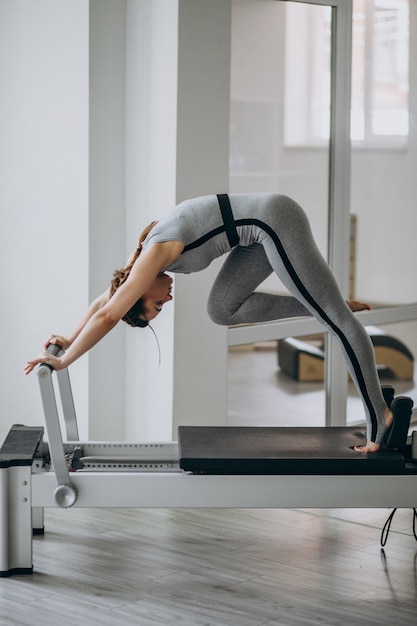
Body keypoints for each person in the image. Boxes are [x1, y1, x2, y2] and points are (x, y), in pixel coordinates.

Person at [25, 192, 393, 453]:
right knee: (221, 310)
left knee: (339, 323)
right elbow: (104, 300)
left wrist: (63, 360)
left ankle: (380, 417)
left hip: (273, 219)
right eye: (161, 306)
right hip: (255, 235)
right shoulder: (138, 265)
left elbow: (109, 313)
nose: (167, 299)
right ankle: (322, 303)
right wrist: (69, 338)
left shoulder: (153, 254)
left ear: (137, 294)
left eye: (155, 304)